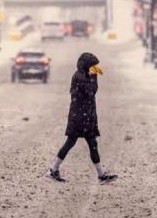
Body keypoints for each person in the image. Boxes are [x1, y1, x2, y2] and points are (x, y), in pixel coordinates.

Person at [47, 52, 117, 183]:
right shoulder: (80, 77)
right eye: (93, 65)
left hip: (85, 116)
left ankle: (100, 175)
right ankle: (54, 170)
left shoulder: (84, 75)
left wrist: (93, 76)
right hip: (80, 117)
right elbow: (91, 92)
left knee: (90, 144)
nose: (95, 67)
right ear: (86, 66)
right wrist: (93, 77)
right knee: (74, 142)